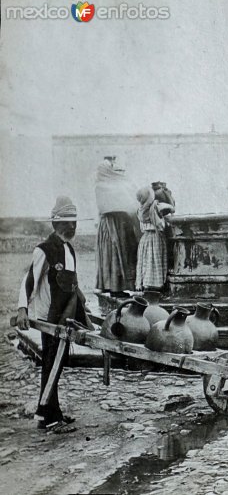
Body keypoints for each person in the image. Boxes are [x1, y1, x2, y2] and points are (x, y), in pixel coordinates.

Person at [16, 196, 90, 433]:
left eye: (74, 221)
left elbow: (72, 283)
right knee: (51, 362)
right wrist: (22, 310)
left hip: (65, 315)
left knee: (59, 362)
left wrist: (82, 306)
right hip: (50, 316)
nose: (72, 226)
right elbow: (28, 281)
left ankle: (53, 412)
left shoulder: (69, 249)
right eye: (67, 222)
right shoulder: (44, 250)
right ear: (55, 224)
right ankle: (46, 417)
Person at [94, 156, 140, 296]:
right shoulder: (102, 185)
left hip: (119, 223)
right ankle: (114, 288)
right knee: (113, 254)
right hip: (111, 225)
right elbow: (113, 205)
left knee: (119, 254)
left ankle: (117, 287)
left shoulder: (114, 183)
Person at [135, 186, 169, 292]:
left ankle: (145, 283)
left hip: (145, 238)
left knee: (145, 261)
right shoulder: (155, 208)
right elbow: (161, 224)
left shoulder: (140, 210)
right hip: (155, 237)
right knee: (154, 260)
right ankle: (156, 284)